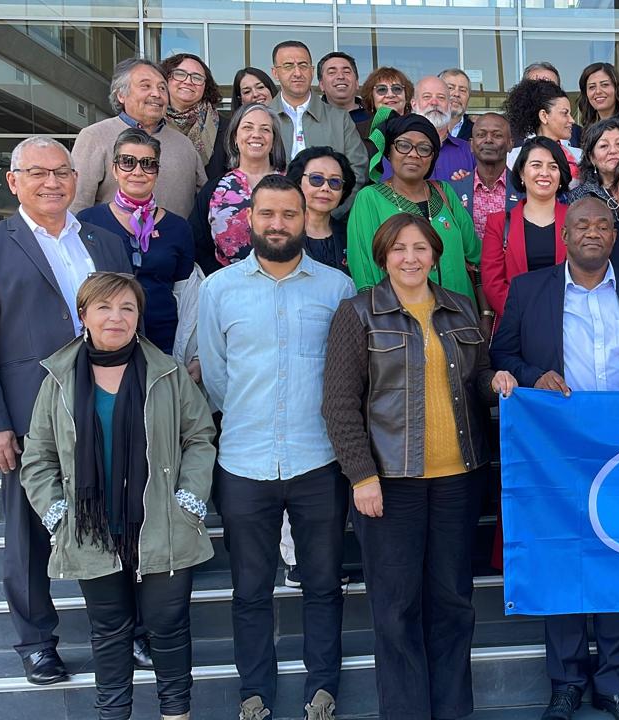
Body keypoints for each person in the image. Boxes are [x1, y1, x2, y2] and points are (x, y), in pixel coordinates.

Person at [322, 212, 513, 720]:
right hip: (389, 483)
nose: (411, 258)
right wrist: (361, 476)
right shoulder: (358, 314)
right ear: (383, 256)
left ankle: (452, 711)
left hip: (457, 479)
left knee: (452, 603)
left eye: (421, 248)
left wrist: (495, 381)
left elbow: (476, 378)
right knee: (397, 609)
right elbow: (339, 404)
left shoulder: (459, 308)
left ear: (435, 255)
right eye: (400, 248)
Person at [0, 136, 131, 685]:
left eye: (62, 172)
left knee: (114, 516)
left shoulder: (105, 242)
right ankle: (35, 641)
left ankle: (124, 628)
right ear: (14, 182)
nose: (52, 182)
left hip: (105, 403)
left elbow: (128, 321)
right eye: (38, 173)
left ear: (76, 180)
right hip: (29, 413)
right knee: (30, 530)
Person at [491, 196, 619, 720]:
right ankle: (566, 682)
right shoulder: (529, 290)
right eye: (582, 225)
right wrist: (530, 377)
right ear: (565, 236)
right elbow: (503, 355)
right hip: (558, 451)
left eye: (603, 225)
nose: (593, 232)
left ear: (615, 236)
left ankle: (615, 684)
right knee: (564, 557)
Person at [20, 272, 215, 720]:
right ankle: (113, 714)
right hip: (92, 526)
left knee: (168, 628)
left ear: (138, 317)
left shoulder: (166, 372)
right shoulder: (59, 378)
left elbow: (200, 437)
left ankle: (176, 714)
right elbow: (38, 455)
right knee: (108, 632)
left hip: (163, 523)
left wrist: (189, 497)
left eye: (127, 308)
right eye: (105, 308)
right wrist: (56, 512)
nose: (117, 317)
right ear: (84, 314)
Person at [198, 174, 355, 720]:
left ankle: (323, 687)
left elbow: (345, 375)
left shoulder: (337, 287)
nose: (278, 224)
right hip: (243, 461)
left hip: (319, 461)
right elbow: (217, 378)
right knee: (250, 590)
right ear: (250, 218)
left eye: (289, 214)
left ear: (304, 217)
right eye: (267, 214)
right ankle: (254, 692)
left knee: (322, 582)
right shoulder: (218, 290)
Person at [77, 129, 196, 354]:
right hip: (105, 342)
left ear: (157, 172)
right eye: (127, 162)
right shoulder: (87, 222)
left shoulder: (179, 228)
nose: (138, 171)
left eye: (148, 164)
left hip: (164, 343)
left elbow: (187, 296)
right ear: (114, 169)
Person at [347, 113, 480, 300]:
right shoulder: (370, 199)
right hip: (401, 320)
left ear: (432, 157)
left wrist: (484, 313)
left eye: (424, 148)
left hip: (459, 317)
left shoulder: (444, 192)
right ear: (389, 151)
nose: (413, 154)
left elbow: (475, 253)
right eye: (403, 145)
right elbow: (363, 267)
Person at [71, 58, 207, 218]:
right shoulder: (95, 136)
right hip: (112, 242)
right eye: (146, 86)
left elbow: (203, 201)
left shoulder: (184, 144)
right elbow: (76, 205)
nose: (157, 94)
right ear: (121, 94)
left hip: (174, 241)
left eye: (162, 88)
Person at [191, 102, 287, 274]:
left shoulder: (292, 186)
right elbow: (198, 245)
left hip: (286, 283)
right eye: (247, 128)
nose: (256, 135)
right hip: (228, 288)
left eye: (265, 129)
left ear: (274, 139)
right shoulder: (215, 190)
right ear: (235, 137)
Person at [481, 137, 571, 320]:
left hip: (569, 323)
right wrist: (527, 316)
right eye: (536, 165)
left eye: (553, 167)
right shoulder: (498, 223)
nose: (544, 173)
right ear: (522, 173)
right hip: (517, 324)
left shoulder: (576, 220)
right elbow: (493, 284)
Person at [269, 41, 369, 191]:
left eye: (303, 65)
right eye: (288, 66)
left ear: (311, 70)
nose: (297, 73)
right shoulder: (261, 118)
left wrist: (334, 212)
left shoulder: (339, 119)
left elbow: (358, 171)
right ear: (275, 73)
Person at [376, 75, 475, 182]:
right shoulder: (396, 149)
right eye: (427, 97)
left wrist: (469, 185)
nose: (434, 103)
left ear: (450, 105)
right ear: (414, 104)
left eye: (441, 97)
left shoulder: (469, 151)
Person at [287, 146, 357, 274]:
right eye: (316, 179)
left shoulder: (351, 236)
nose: (325, 188)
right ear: (297, 183)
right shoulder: (280, 233)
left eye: (335, 182)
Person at [451, 112, 520, 239]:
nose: (488, 140)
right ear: (471, 145)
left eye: (497, 135)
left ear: (510, 144)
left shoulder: (524, 190)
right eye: (481, 135)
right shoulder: (454, 191)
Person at [206, 67, 278, 178]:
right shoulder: (228, 131)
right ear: (240, 99)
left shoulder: (291, 119)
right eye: (247, 91)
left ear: (271, 89)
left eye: (260, 87)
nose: (255, 94)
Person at [504, 78, 582, 178]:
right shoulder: (514, 158)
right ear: (544, 116)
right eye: (565, 113)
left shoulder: (579, 156)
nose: (572, 120)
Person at [160, 53, 221, 167]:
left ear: (205, 86)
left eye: (197, 77)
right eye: (179, 74)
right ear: (165, 79)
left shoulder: (227, 128)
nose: (188, 81)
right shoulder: (150, 122)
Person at [319, 51, 371, 125]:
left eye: (346, 72)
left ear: (357, 82)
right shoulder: (310, 119)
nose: (341, 76)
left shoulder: (375, 117)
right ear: (322, 85)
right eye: (332, 72)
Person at [578, 62, 619, 129]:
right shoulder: (585, 130)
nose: (598, 91)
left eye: (604, 85)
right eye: (592, 87)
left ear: (616, 88)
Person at [441, 68, 475, 140]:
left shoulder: (476, 132)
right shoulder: (423, 127)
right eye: (450, 88)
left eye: (462, 90)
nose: (456, 94)